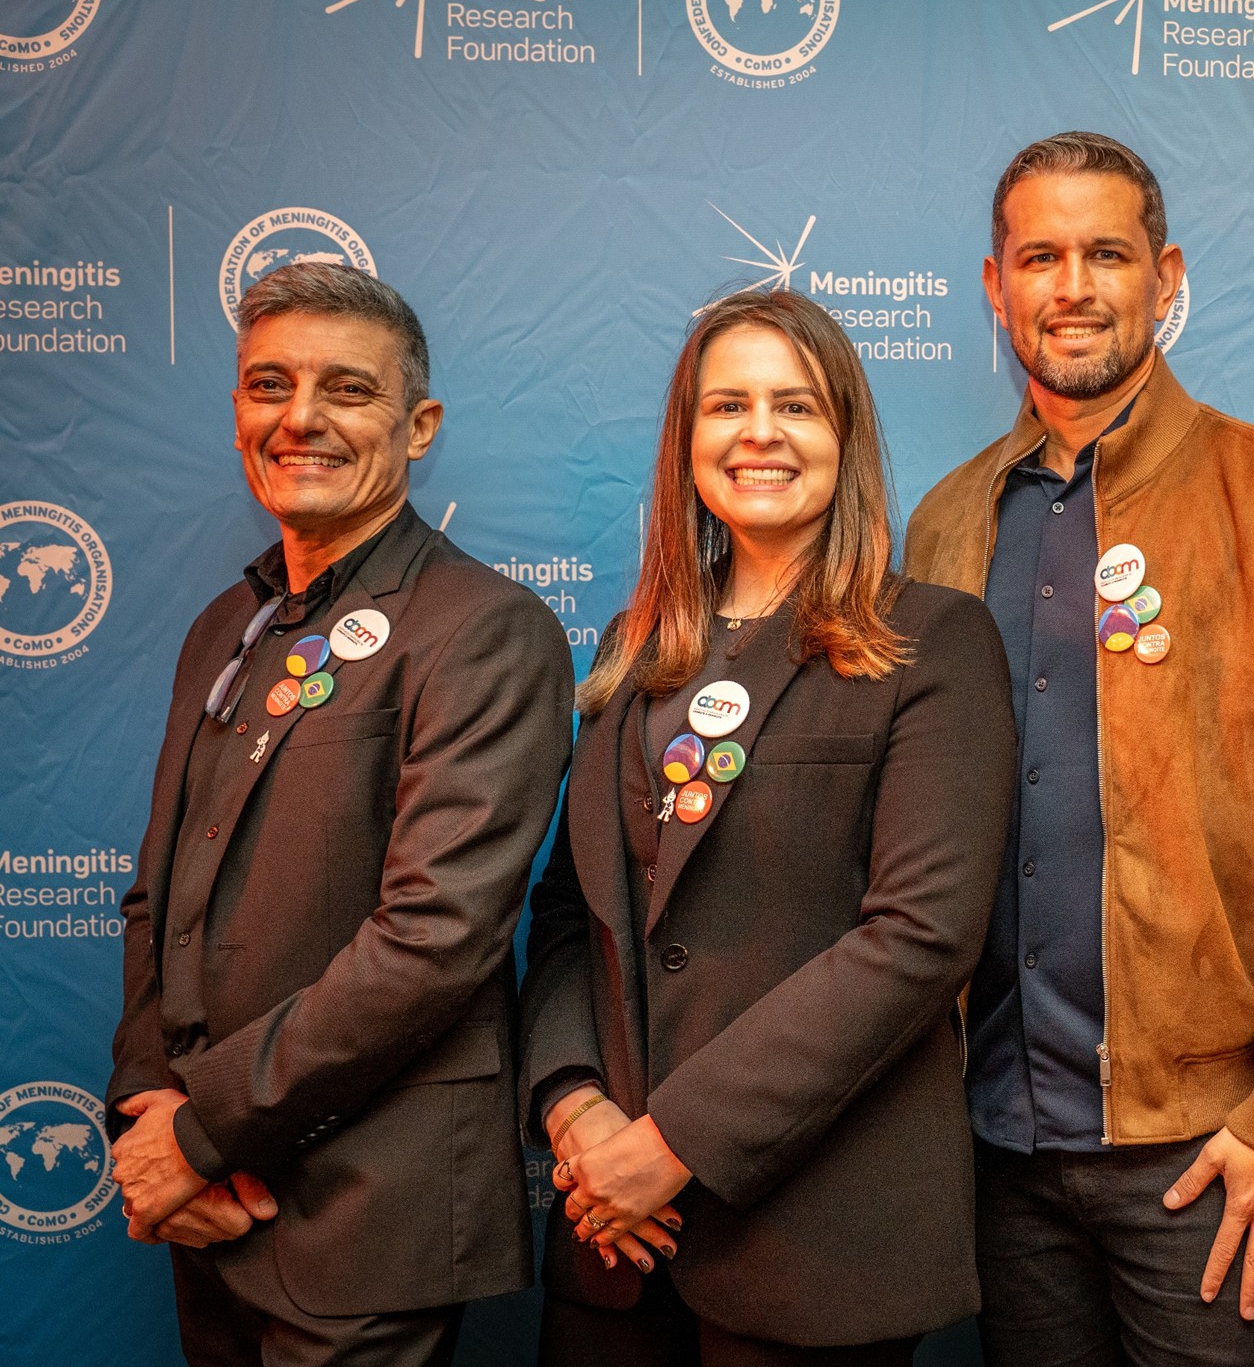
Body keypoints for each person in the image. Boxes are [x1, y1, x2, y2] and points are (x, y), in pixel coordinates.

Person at [903, 132, 1254, 1367]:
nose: (1072, 286)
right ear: (995, 286)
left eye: (1105, 254)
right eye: (1040, 256)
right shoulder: (947, 518)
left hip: (1208, 1149)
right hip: (994, 1140)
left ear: (1163, 273)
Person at [521, 289, 1017, 1367]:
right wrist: (573, 1111)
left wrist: (673, 1142)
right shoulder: (634, 644)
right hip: (613, 1238)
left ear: (844, 436)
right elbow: (571, 915)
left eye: (795, 405)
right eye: (727, 405)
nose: (759, 433)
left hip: (814, 1237)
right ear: (685, 439)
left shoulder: (930, 640)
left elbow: (920, 936)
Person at [105, 263, 573, 1366]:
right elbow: (155, 898)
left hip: (368, 1213)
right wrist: (144, 1111)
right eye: (270, 384)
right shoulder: (228, 622)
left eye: (346, 390)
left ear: (419, 425)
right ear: (236, 414)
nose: (300, 416)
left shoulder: (484, 629)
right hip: (207, 1202)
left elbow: (434, 941)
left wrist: (204, 1130)